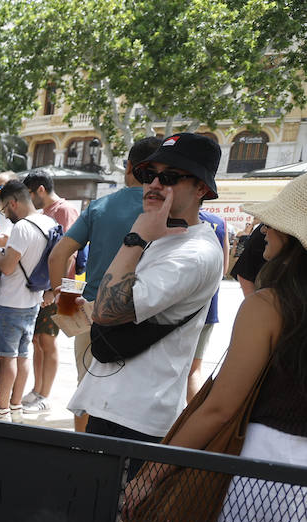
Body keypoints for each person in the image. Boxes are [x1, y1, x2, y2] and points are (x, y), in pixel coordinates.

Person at [137, 172, 307, 522]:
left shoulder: (271, 306)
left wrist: (150, 476)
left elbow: (219, 407)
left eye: (273, 224)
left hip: (258, 481)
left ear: (292, 239)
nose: (263, 230)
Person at [68, 132, 225, 443]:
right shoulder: (167, 235)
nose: (154, 184)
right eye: (147, 174)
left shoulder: (194, 253)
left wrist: (135, 238)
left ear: (201, 189)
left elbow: (108, 312)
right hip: (115, 403)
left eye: (169, 176)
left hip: (137, 417)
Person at [44, 136, 164, 432]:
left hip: (92, 314)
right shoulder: (165, 211)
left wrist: (66, 301)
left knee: (85, 390)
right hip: (144, 316)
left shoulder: (100, 206)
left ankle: (82, 453)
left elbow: (58, 255)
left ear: (129, 167)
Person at [0, 180, 58, 421]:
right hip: (32, 300)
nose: (6, 214)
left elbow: (7, 267)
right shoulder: (49, 222)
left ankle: (1, 408)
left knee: (7, 357)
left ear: (13, 203)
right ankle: (15, 406)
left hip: (10, 302)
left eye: (5, 209)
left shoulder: (22, 227)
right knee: (23, 355)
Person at [20, 171, 81, 414]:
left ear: (41, 190)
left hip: (59, 289)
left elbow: (68, 253)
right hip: (47, 289)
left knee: (48, 340)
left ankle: (45, 395)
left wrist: (52, 289)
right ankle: (37, 389)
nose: (29, 199)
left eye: (30, 194)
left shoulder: (64, 211)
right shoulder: (45, 213)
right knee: (37, 341)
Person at [186, 208, 230, 401]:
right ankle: (193, 422)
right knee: (194, 371)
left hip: (177, 306)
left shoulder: (178, 218)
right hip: (208, 305)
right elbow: (224, 268)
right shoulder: (220, 223)